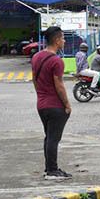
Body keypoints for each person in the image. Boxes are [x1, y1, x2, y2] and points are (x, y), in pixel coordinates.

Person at [31, 26, 72, 180]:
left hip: (42, 104)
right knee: (54, 138)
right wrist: (67, 104)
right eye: (62, 38)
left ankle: (49, 168)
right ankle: (52, 171)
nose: (64, 41)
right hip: (55, 106)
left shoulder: (36, 57)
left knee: (49, 137)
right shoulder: (56, 61)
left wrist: (41, 95)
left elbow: (34, 79)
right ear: (56, 40)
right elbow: (59, 85)